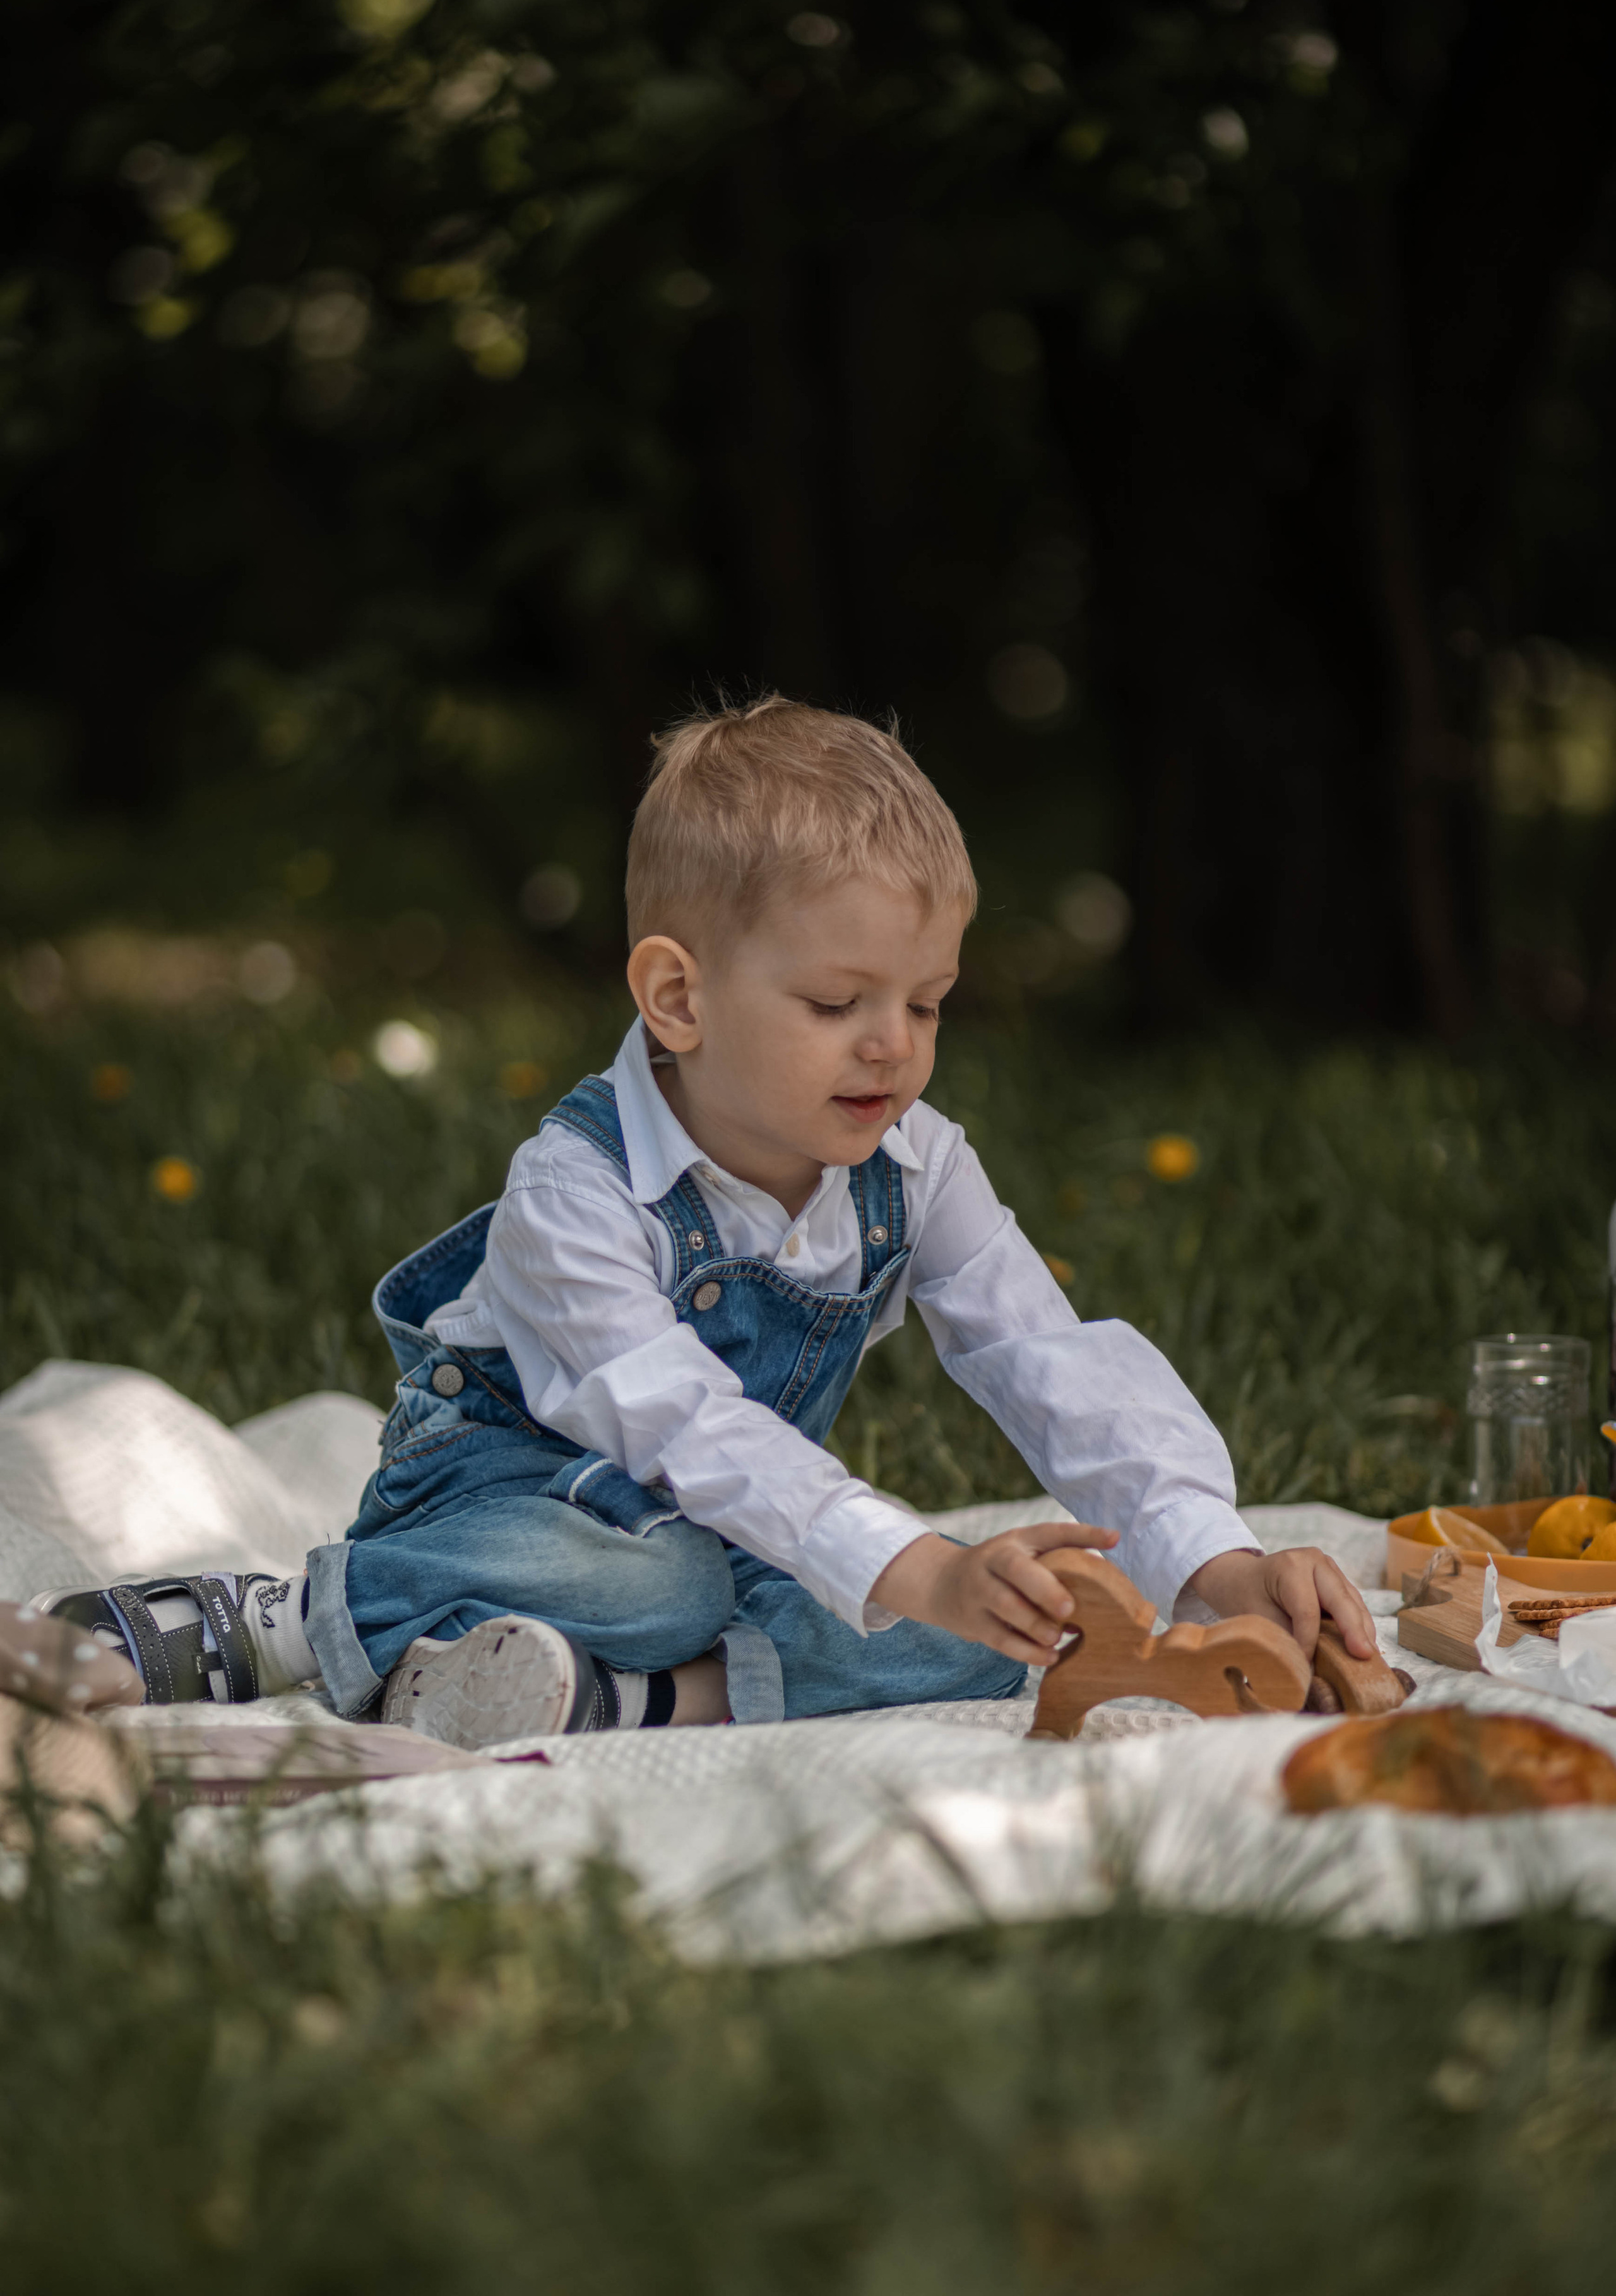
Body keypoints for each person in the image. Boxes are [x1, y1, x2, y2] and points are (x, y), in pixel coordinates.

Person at [41, 698, 1375, 1742]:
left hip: (730, 1517)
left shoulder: (914, 1169)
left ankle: (587, 1698)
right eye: (836, 1003)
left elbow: (1051, 1361)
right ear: (677, 1001)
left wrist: (1217, 1561)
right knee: (682, 1586)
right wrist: (894, 1559)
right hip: (516, 1495)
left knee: (1010, 1624)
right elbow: (682, 1425)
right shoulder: (576, 1189)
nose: (891, 1050)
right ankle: (292, 1614)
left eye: (925, 1003)